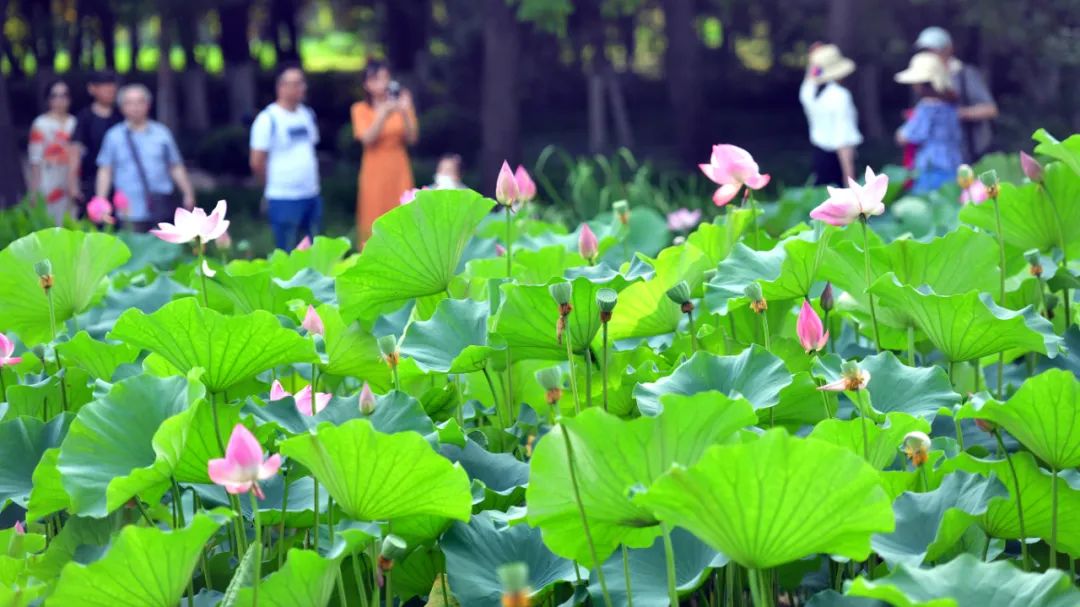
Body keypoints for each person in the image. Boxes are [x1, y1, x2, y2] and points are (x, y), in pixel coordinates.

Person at [95, 84, 195, 230]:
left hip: (161, 206)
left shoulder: (162, 133)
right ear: (122, 107)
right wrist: (101, 201)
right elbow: (105, 170)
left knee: (163, 249)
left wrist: (188, 193)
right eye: (129, 103)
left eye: (139, 102)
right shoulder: (113, 136)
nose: (135, 107)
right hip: (128, 210)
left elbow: (175, 166)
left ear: (148, 105)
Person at [249, 64, 321, 251]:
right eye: (295, 84)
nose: (301, 88)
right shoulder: (268, 119)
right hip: (283, 196)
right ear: (281, 87)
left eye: (302, 83)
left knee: (315, 250)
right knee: (287, 251)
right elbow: (257, 161)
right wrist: (268, 187)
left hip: (311, 193)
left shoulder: (307, 114)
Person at [351, 60, 419, 247]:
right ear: (367, 84)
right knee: (373, 212)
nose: (383, 83)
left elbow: (412, 138)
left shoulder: (401, 105)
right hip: (374, 168)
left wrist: (404, 111)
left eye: (386, 78)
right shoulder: (360, 109)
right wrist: (383, 113)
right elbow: (367, 138)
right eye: (377, 79)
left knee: (402, 213)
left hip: (398, 165)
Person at [914, 26, 998, 162]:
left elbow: (990, 110)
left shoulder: (965, 74)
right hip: (936, 159)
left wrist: (954, 114)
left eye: (933, 50)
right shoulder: (924, 78)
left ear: (948, 49)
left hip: (969, 153)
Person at [894, 52, 963, 194]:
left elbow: (909, 136)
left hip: (931, 167)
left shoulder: (927, 107)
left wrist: (900, 132)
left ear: (921, 84)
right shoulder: (950, 104)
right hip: (954, 164)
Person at [799, 43, 862, 186]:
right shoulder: (840, 96)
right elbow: (843, 140)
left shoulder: (808, 92)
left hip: (818, 158)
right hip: (838, 163)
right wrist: (850, 181)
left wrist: (815, 59)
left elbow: (811, 76)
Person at [69, 70, 122, 214]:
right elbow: (75, 151)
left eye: (112, 87)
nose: (110, 91)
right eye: (105, 87)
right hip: (91, 178)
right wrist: (73, 185)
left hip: (121, 180)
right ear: (92, 89)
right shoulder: (84, 117)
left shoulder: (121, 115)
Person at [28, 79, 76, 225]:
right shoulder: (40, 124)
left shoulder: (75, 122)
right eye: (55, 96)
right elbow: (35, 160)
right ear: (48, 99)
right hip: (48, 181)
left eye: (64, 96)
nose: (59, 100)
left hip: (71, 181)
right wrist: (34, 191)